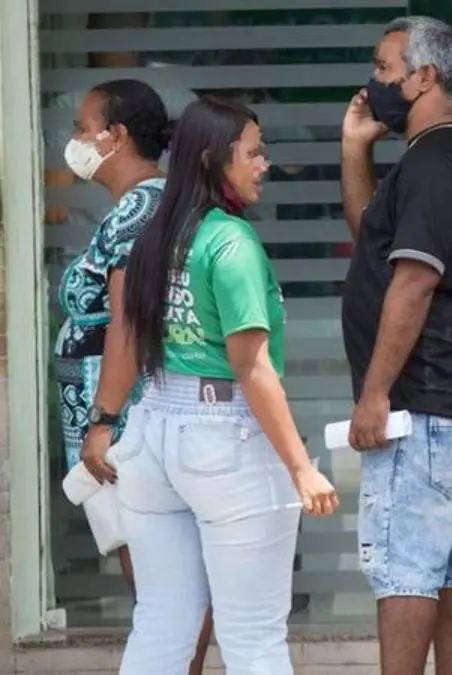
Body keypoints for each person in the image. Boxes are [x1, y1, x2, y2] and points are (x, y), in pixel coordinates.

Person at [116, 96, 339, 674]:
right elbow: (252, 365)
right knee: (255, 635)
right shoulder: (231, 242)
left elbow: (127, 335)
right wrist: (300, 466)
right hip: (223, 442)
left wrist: (102, 421)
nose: (265, 163)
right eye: (255, 152)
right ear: (215, 160)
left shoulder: (155, 237)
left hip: (152, 433)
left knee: (161, 622)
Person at [339, 16, 452, 675]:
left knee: (403, 564)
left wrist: (375, 393)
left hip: (430, 394)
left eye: (385, 70)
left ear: (425, 76)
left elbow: (411, 283)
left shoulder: (435, 161)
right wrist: (356, 150)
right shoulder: (450, 152)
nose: (373, 84)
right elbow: (376, 247)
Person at [52, 78, 215, 675]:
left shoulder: (142, 208)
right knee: (154, 577)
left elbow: (125, 323)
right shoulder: (138, 206)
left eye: (81, 127)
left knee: (161, 578)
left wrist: (103, 420)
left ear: (115, 136)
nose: (74, 140)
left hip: (125, 424)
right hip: (118, 422)